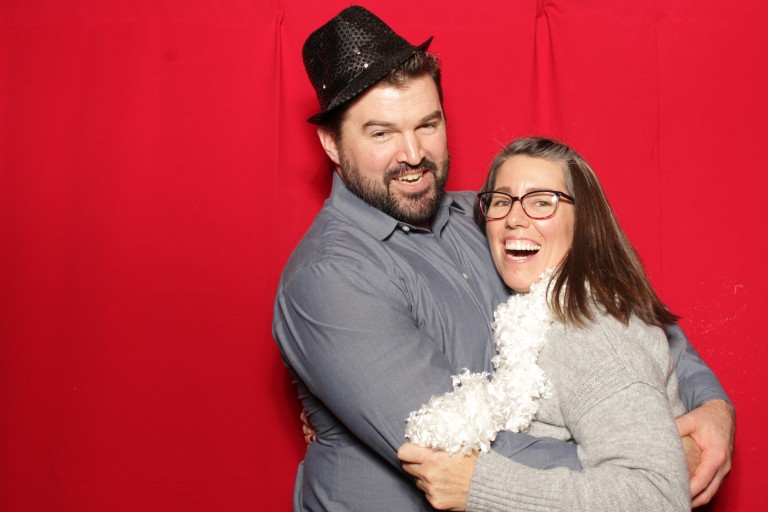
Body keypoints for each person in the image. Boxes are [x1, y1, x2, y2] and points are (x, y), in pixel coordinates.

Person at [273, 6, 734, 511]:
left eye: (427, 124)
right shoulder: (330, 278)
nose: (412, 153)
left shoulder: (494, 216)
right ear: (332, 143)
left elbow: (622, 306)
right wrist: (648, 468)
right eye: (381, 133)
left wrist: (712, 407)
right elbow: (450, 449)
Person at [399, 137, 693, 511]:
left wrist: (480, 488)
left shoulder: (593, 332)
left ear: (583, 221)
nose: (514, 218)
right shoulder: (532, 315)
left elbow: (659, 496)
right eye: (501, 201)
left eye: (542, 202)